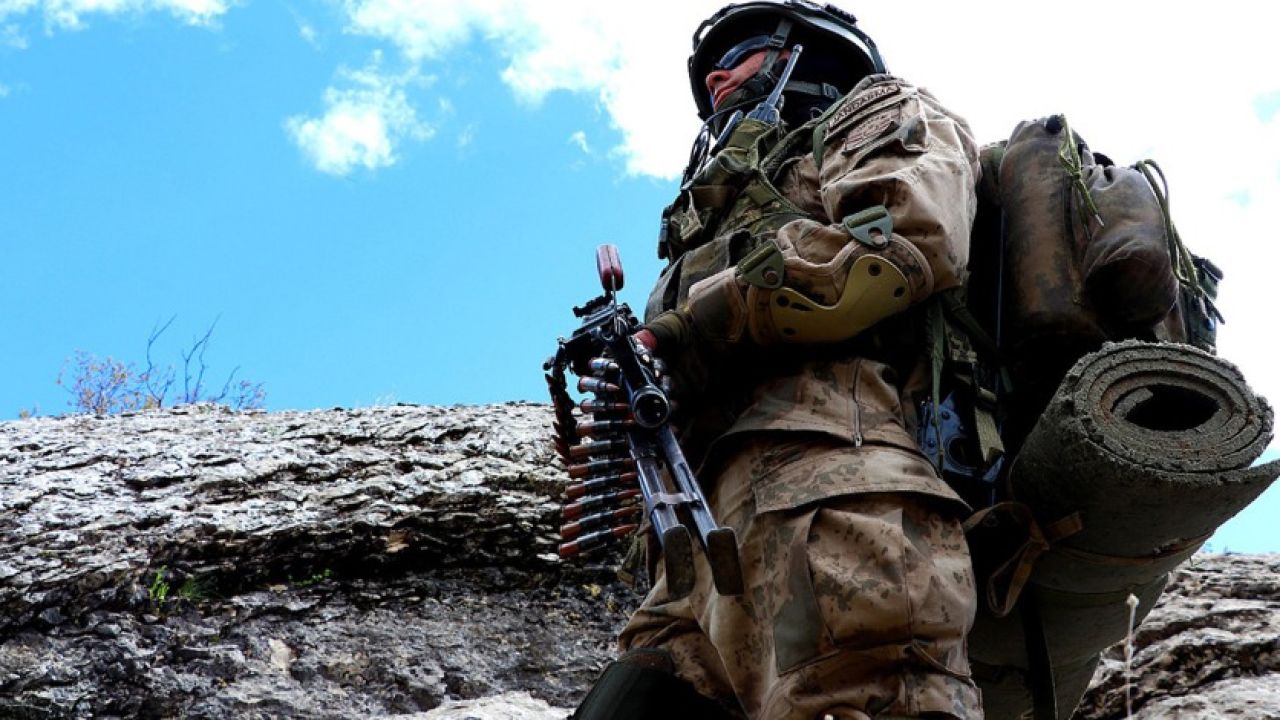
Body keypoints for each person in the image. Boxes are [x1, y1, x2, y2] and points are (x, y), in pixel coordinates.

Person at [573, 2, 984, 718]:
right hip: (696, 561)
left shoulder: (874, 115)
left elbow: (898, 245)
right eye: (711, 68)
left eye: (741, 54)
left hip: (832, 495)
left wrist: (687, 327)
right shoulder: (711, 216)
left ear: (807, 56)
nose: (717, 77)